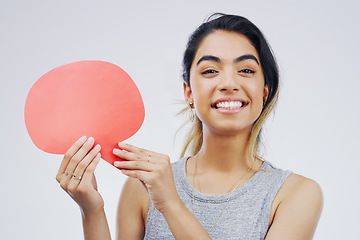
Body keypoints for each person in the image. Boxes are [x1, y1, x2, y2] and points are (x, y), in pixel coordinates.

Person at [56, 13, 323, 239]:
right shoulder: (141, 187)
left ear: (264, 92)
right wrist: (90, 209)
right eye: (210, 71)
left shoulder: (296, 193)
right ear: (188, 93)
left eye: (246, 70)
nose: (229, 83)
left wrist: (171, 204)